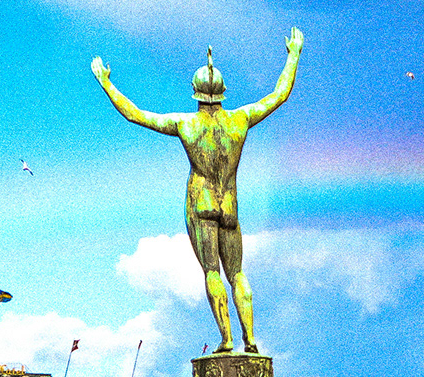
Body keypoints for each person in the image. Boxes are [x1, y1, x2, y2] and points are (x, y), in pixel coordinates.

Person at [91, 30, 302, 355]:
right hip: (230, 204)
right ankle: (251, 340)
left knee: (212, 272)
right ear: (223, 93)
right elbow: (279, 94)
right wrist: (293, 55)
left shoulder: (185, 124)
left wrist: (106, 83)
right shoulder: (240, 120)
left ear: (195, 92)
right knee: (238, 274)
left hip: (200, 203)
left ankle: (228, 340)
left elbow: (135, 115)